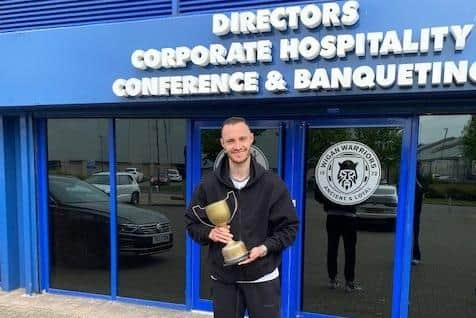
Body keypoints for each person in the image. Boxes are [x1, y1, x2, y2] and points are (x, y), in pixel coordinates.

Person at [185, 117, 298, 318]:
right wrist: (210, 232)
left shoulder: (272, 184)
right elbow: (191, 223)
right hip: (224, 280)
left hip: (263, 278)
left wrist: (264, 249)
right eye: (231, 141)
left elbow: (289, 228)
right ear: (222, 143)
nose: (237, 146)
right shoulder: (208, 185)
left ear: (251, 139)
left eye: (242, 139)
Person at [313, 183, 361, 292]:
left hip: (332, 215)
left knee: (332, 248)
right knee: (350, 250)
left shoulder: (328, 177)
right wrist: (353, 202)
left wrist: (329, 201)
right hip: (350, 216)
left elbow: (318, 193)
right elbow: (364, 195)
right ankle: (349, 283)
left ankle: (332, 280)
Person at [412, 164, 425, 265]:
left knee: (414, 236)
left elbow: (422, 190)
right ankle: (405, 255)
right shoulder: (406, 178)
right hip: (407, 212)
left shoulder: (419, 179)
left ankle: (416, 256)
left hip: (415, 213)